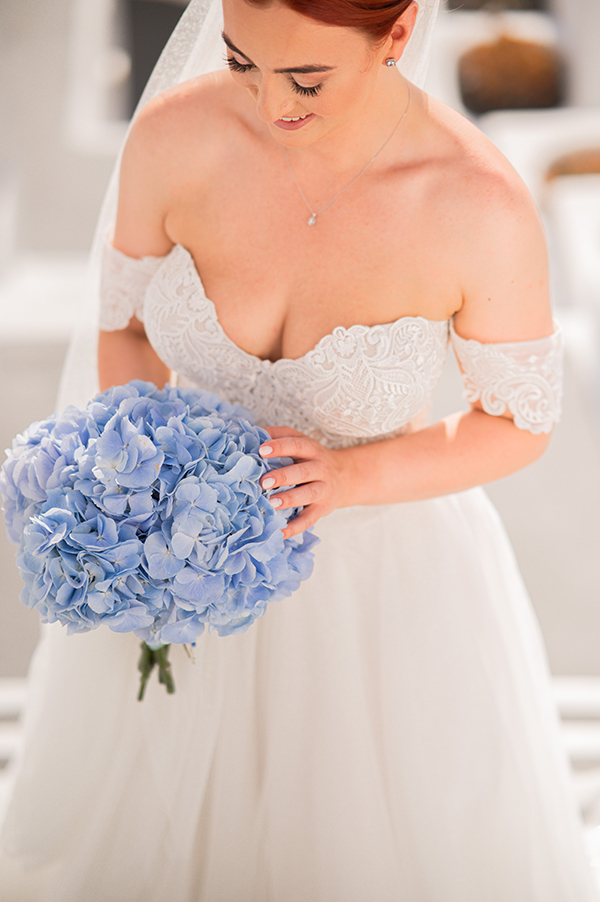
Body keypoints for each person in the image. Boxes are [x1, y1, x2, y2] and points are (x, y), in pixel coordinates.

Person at [1, 0, 597, 900]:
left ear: (399, 34)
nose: (270, 104)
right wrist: (141, 492)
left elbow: (518, 423)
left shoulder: (477, 202)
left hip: (378, 596)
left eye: (307, 80)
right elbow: (126, 327)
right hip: (173, 571)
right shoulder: (174, 135)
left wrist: (351, 475)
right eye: (242, 62)